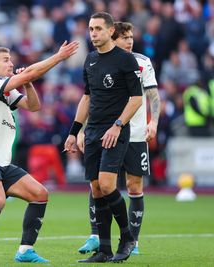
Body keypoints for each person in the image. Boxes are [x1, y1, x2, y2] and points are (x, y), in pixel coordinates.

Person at [0, 42, 79, 265]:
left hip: (1, 164)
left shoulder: (6, 91)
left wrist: (29, 84)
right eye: (6, 60)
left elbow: (33, 106)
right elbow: (30, 72)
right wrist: (58, 57)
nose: (11, 63)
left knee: (40, 194)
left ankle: (25, 250)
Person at [64, 12, 142, 263]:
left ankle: (127, 237)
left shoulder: (125, 60)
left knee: (108, 185)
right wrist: (75, 132)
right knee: (96, 189)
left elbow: (137, 99)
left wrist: (118, 125)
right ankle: (105, 249)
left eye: (98, 28)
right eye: (90, 29)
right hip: (94, 131)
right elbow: (87, 98)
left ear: (110, 31)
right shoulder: (90, 60)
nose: (93, 33)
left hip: (115, 131)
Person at [77, 21, 161, 256]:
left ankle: (132, 239)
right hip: (103, 131)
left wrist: (153, 121)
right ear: (114, 37)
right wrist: (81, 129)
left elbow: (153, 95)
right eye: (125, 37)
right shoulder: (97, 60)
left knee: (133, 185)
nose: (130, 41)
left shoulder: (142, 62)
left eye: (131, 37)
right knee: (99, 184)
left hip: (134, 133)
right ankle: (96, 236)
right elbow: (89, 98)